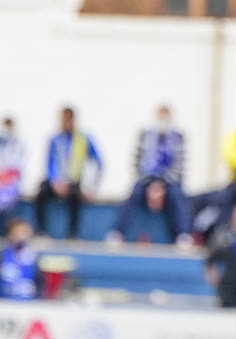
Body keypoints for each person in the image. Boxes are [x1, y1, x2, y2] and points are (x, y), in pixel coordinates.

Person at [110, 105, 190, 245]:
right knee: (134, 193)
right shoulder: (145, 135)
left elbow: (180, 167)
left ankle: (183, 235)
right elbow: (137, 163)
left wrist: (161, 185)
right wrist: (152, 184)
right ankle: (117, 232)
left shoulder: (178, 137)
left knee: (177, 195)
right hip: (146, 180)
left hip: (169, 182)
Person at [37, 107, 103, 239]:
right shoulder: (55, 139)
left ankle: (72, 234)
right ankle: (42, 231)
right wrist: (55, 181)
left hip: (74, 182)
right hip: (56, 182)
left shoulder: (83, 139)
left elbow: (97, 163)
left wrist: (92, 186)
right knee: (41, 192)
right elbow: (49, 163)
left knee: (75, 197)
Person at [1, 218, 38, 300]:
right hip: (4, 302)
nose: (22, 236)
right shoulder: (3, 255)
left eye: (25, 232)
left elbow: (39, 282)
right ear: (10, 234)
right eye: (19, 232)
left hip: (28, 302)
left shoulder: (33, 256)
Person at [0, 117, 25, 228]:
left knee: (8, 196)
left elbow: (18, 167)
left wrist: (7, 176)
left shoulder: (18, 145)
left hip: (11, 182)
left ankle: (10, 229)